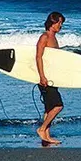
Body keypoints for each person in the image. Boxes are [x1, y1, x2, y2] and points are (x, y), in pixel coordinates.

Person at [35, 11, 65, 144]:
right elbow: (38, 57)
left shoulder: (54, 38)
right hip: (45, 78)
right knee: (58, 106)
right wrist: (42, 76)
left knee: (48, 108)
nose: (60, 25)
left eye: (61, 23)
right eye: (59, 22)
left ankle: (46, 136)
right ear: (52, 23)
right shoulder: (45, 37)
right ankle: (42, 129)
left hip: (52, 78)